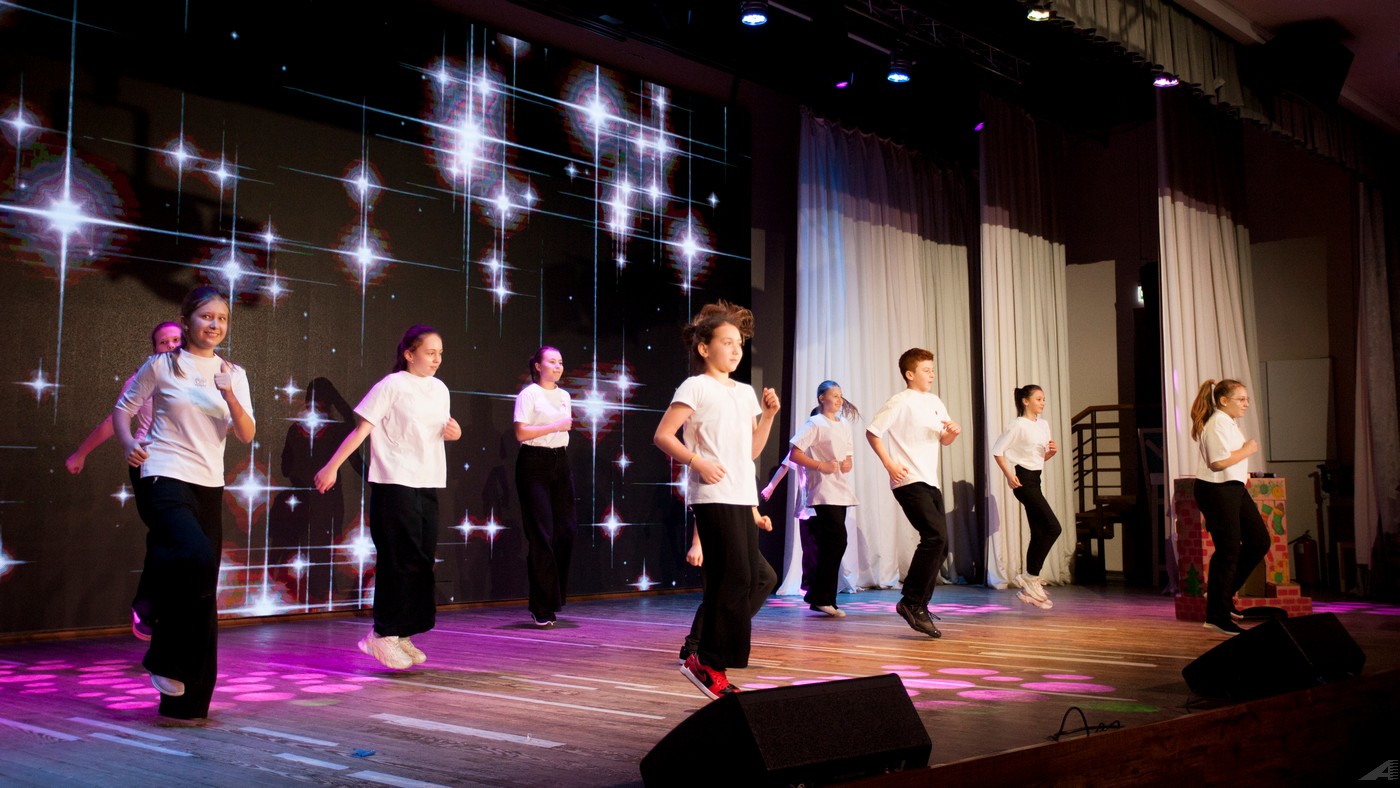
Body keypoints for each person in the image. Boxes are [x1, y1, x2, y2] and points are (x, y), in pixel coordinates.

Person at [113, 287, 255, 719]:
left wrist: (229, 395)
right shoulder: (163, 364)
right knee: (192, 555)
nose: (214, 324)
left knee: (203, 586)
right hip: (162, 472)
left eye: (222, 318)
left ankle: (187, 703)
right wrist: (128, 444)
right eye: (206, 316)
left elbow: (246, 433)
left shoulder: (234, 373)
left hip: (208, 483)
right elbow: (123, 409)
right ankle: (163, 658)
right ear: (188, 319)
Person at [314, 325, 461, 669]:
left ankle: (402, 631)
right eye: (430, 352)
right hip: (394, 482)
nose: (436, 359)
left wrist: (453, 433)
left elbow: (434, 432)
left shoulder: (440, 389)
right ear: (409, 354)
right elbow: (361, 430)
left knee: (421, 559)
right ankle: (382, 633)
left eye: (440, 353)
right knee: (398, 558)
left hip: (427, 482)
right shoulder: (391, 385)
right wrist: (332, 466)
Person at [654, 301, 780, 700]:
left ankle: (708, 659)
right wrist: (698, 462)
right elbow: (663, 435)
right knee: (733, 579)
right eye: (727, 342)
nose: (736, 349)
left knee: (751, 578)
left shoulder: (745, 392)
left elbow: (751, 452)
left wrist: (768, 417)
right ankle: (707, 663)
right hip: (712, 496)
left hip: (741, 495)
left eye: (739, 343)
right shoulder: (696, 386)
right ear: (704, 348)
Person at [68, 321, 182, 640]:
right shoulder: (143, 378)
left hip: (185, 468)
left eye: (176, 339)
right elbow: (114, 420)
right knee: (166, 532)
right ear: (154, 349)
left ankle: (168, 610)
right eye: (163, 342)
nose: (171, 346)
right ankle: (146, 607)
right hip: (148, 462)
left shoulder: (199, 378)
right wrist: (81, 453)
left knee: (184, 538)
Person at [866, 348, 961, 639]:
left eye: (932, 369)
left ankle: (918, 604)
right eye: (926, 370)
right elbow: (873, 432)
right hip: (908, 480)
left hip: (930, 481)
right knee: (934, 536)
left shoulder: (934, 402)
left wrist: (952, 432)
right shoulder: (900, 401)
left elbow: (943, 439)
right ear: (910, 374)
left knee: (940, 544)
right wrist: (889, 464)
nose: (932, 374)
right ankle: (911, 602)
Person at [1190, 378, 1269, 636]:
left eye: (1247, 399)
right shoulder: (1216, 424)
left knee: (1259, 540)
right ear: (1224, 401)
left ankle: (1221, 596)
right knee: (1228, 551)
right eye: (1241, 399)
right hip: (1217, 490)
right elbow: (1217, 462)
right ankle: (1217, 615)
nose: (1246, 404)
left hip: (1234, 489)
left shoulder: (1228, 422)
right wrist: (1248, 449)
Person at [513, 346, 578, 627]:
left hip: (560, 462)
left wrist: (559, 428)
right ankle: (541, 605)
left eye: (560, 362)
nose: (558, 366)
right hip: (534, 463)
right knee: (541, 535)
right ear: (538, 366)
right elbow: (521, 432)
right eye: (552, 361)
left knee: (566, 531)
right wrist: (556, 426)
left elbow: (565, 429)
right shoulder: (529, 394)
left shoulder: (564, 396)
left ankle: (554, 597)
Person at [787, 380, 859, 617]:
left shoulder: (844, 424)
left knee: (834, 543)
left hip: (840, 489)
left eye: (840, 396)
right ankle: (820, 597)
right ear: (821, 398)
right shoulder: (815, 423)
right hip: (823, 491)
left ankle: (820, 596)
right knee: (837, 540)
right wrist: (820, 465)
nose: (839, 400)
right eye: (834, 395)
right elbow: (795, 453)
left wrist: (847, 463)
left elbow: (847, 456)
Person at [991, 384, 1062, 611]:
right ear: (1025, 401)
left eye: (1044, 399)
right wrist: (1009, 475)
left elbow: (1038, 458)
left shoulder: (1043, 425)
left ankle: (1029, 588)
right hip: (1023, 481)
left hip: (1035, 479)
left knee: (1039, 531)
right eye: (1038, 399)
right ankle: (1030, 578)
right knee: (1053, 527)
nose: (1043, 403)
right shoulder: (1017, 425)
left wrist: (1050, 453)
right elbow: (998, 450)